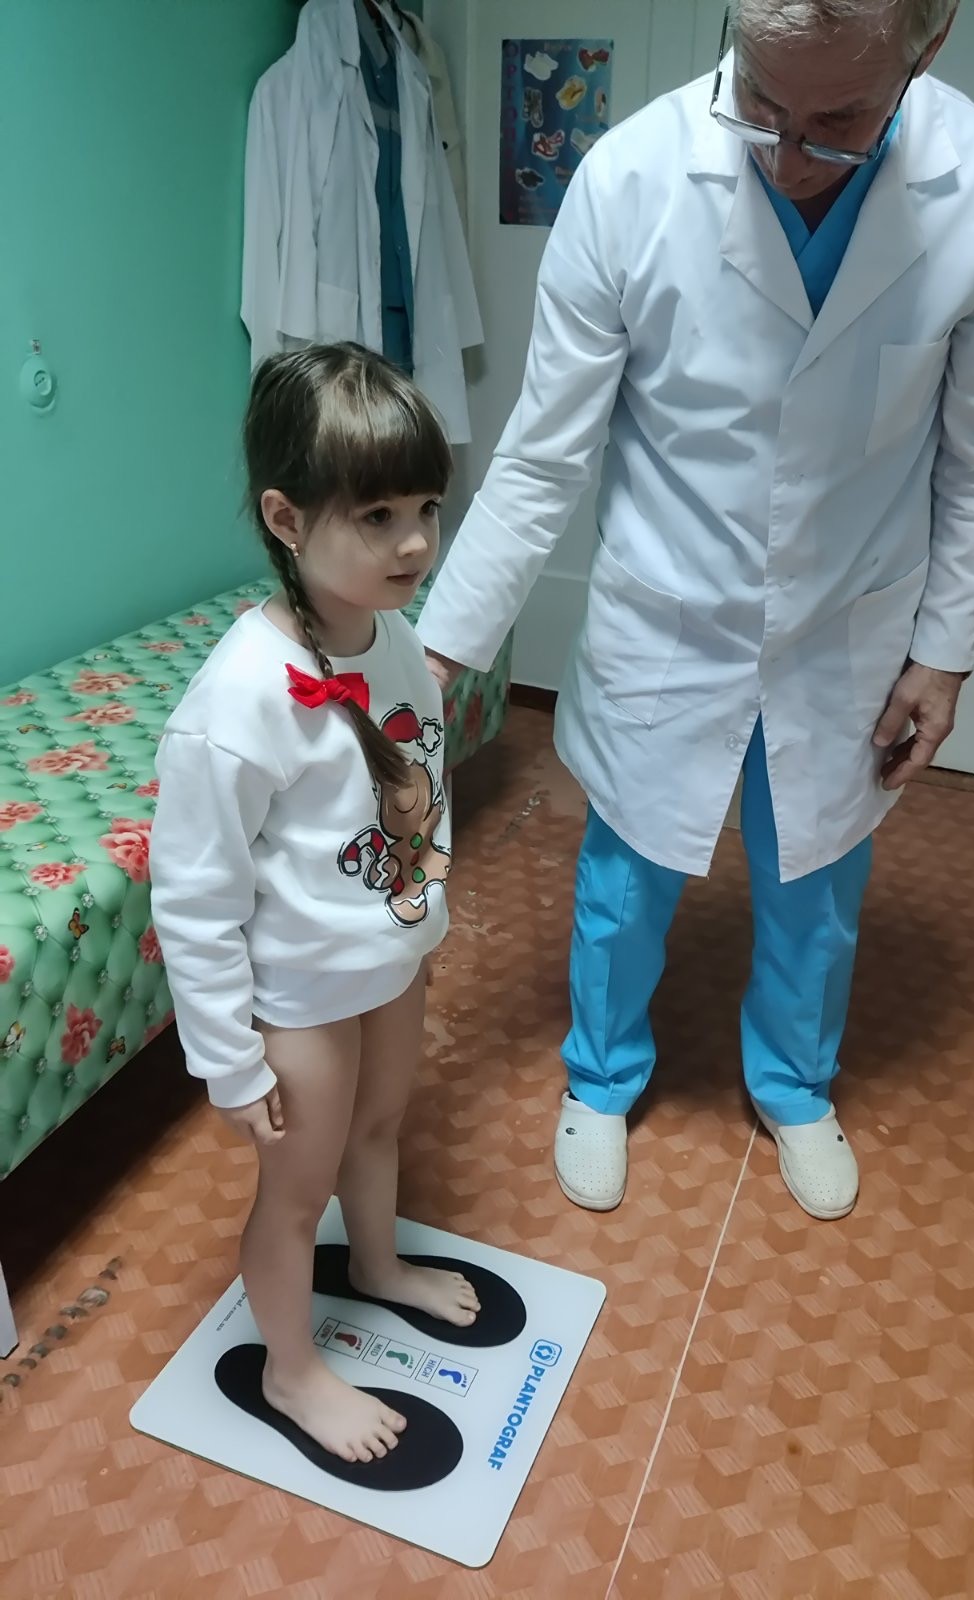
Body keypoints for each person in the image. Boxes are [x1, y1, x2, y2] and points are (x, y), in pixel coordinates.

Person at [418, 0, 974, 1220]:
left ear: (930, 43)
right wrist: (434, 657)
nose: (792, 155)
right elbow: (542, 457)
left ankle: (796, 1085)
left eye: (839, 120)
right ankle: (600, 1075)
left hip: (849, 615)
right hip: (673, 604)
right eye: (760, 102)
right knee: (628, 872)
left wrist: (946, 653)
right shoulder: (628, 180)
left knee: (820, 879)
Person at [150, 344, 480, 1465]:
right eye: (378, 515)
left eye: (426, 508)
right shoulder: (238, 701)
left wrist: (419, 920)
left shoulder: (395, 638)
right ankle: (289, 1371)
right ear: (287, 519)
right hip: (298, 991)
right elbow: (194, 899)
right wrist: (229, 1060)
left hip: (390, 957)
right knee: (296, 1195)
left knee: (381, 1129)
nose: (416, 543)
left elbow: (407, 791)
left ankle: (377, 1264)